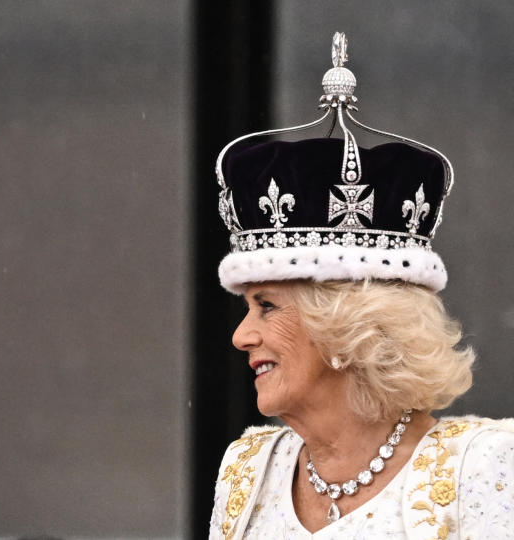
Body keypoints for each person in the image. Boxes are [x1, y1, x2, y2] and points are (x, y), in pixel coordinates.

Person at [207, 34, 514, 539]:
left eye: (266, 306)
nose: (242, 336)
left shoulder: (478, 468)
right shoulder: (248, 468)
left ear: (349, 325)